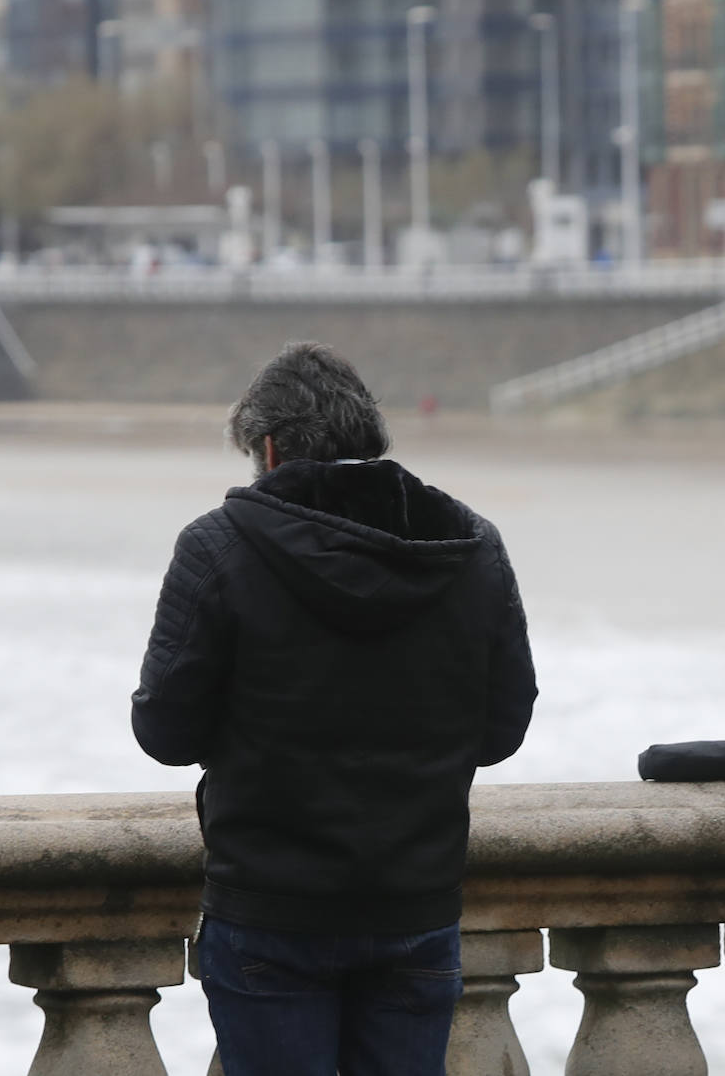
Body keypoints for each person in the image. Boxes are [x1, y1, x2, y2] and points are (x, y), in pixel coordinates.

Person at [131, 341, 536, 1076]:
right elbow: (504, 728)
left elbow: (163, 730)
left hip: (269, 910)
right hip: (416, 903)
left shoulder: (218, 549)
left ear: (271, 448)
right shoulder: (471, 547)